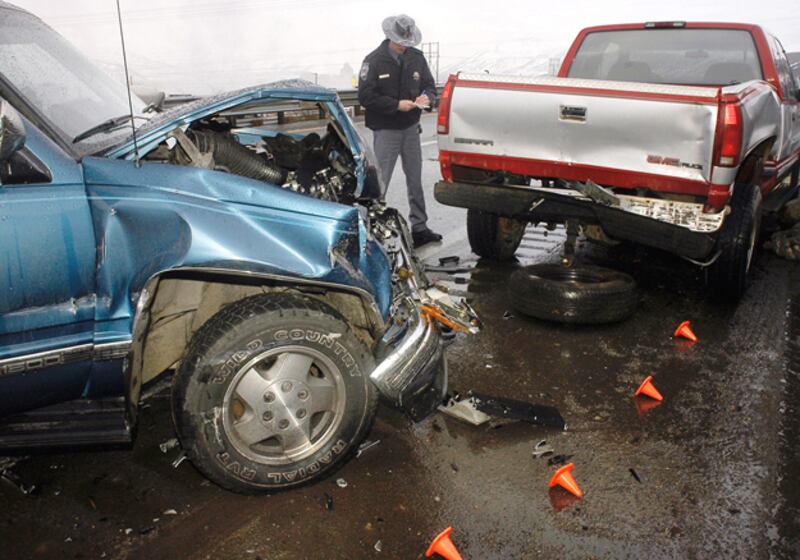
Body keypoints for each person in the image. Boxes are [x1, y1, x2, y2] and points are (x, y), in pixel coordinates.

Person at [358, 14, 442, 248]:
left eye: (407, 41)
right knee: (381, 182)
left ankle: (420, 227)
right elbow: (365, 96)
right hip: (386, 129)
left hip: (411, 127)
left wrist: (427, 98)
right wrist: (395, 105)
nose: (404, 45)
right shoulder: (374, 61)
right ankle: (372, 231)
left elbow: (429, 85)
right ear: (390, 36)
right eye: (401, 41)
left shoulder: (417, 57)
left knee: (415, 180)